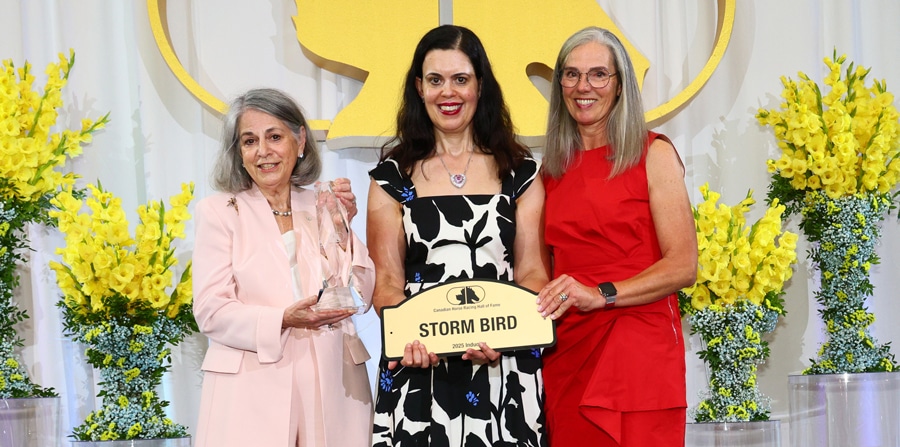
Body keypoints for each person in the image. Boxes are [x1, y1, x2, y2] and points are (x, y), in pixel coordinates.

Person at [367, 25, 551, 447]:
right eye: (435, 80)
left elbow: (532, 271)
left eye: (460, 79)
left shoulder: (521, 173)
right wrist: (412, 336)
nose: (447, 93)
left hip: (504, 365)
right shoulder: (390, 178)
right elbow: (388, 282)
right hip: (418, 368)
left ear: (480, 86)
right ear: (419, 87)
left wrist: (506, 337)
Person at [535, 27, 698, 447]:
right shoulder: (547, 173)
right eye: (571, 75)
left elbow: (683, 265)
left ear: (620, 84)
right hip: (567, 351)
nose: (582, 87)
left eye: (597, 74)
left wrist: (601, 293)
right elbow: (536, 275)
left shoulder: (655, 154)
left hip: (639, 345)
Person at [192, 88, 376, 447]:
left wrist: (344, 230)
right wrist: (282, 319)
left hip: (333, 383)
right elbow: (210, 311)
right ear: (238, 152)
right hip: (250, 385)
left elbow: (363, 294)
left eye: (274, 136)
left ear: (300, 140)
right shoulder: (219, 212)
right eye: (249, 141)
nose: (263, 151)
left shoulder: (325, 201)